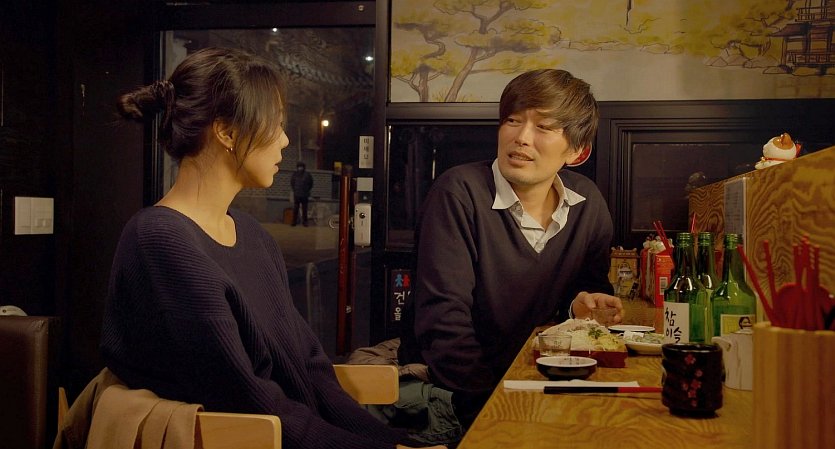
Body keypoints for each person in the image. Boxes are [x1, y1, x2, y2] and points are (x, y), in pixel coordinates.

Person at [102, 47, 439, 449]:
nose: (284, 140)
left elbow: (310, 368)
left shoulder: (252, 234)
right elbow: (247, 400)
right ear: (226, 132)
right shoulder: (160, 239)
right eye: (275, 124)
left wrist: (394, 444)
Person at [398, 68, 623, 427]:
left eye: (544, 127)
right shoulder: (458, 193)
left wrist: (579, 305)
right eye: (513, 121)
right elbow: (443, 325)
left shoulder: (587, 203)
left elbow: (586, 293)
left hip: (535, 376)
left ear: (577, 151)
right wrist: (498, 408)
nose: (521, 137)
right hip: (456, 392)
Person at [290, 161, 313, 226]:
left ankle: (303, 222)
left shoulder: (306, 175)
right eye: (299, 167)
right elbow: (292, 183)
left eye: (301, 167)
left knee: (304, 209)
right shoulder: (296, 174)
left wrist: (306, 190)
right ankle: (295, 222)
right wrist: (295, 190)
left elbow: (311, 183)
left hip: (303, 194)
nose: (300, 168)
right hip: (298, 194)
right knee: (296, 209)